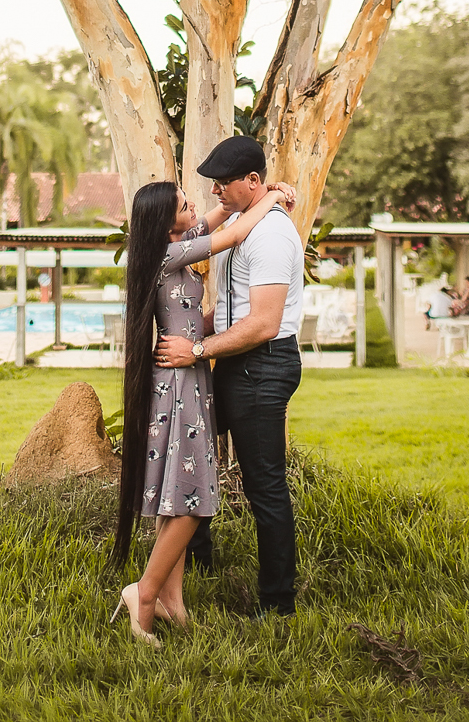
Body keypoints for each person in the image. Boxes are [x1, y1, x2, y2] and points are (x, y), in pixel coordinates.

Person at [111, 174, 295, 647]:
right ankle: (145, 594)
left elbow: (226, 215)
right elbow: (233, 232)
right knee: (194, 493)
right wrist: (273, 197)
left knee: (177, 490)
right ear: (162, 220)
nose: (194, 207)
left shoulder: (181, 241)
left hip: (189, 376)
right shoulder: (161, 255)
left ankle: (173, 600)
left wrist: (262, 188)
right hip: (177, 382)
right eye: (183, 205)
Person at [157, 135, 305, 619]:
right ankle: (196, 566)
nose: (215, 191)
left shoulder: (271, 234)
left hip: (262, 364)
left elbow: (262, 323)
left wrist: (196, 348)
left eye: (224, 183)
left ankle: (276, 603)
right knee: (195, 456)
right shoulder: (243, 221)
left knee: (265, 484)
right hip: (233, 362)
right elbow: (224, 302)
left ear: (252, 181)